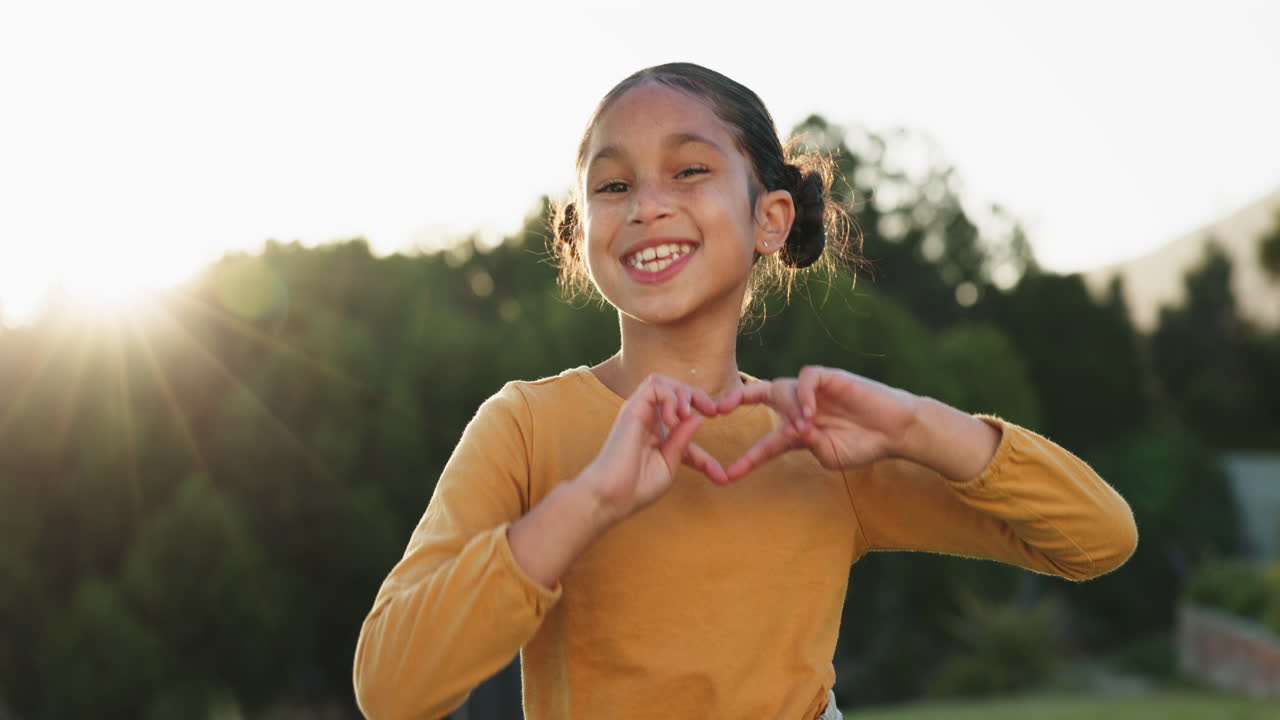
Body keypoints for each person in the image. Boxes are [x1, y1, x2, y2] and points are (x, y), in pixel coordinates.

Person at [352, 62, 1138, 720]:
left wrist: (914, 423)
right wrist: (588, 502)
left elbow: (1099, 538)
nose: (646, 205)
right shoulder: (526, 427)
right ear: (580, 228)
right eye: (612, 184)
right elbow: (392, 687)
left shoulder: (828, 448)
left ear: (770, 218)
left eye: (689, 169)